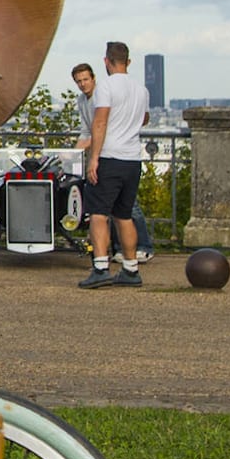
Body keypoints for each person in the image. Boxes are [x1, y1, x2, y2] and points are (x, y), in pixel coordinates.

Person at [83, 38, 151, 289]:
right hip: (132, 159)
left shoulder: (106, 87)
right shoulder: (141, 90)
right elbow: (144, 119)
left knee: (99, 215)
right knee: (124, 215)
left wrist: (94, 158)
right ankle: (131, 269)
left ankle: (100, 267)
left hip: (110, 156)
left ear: (106, 61)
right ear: (128, 62)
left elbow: (99, 122)